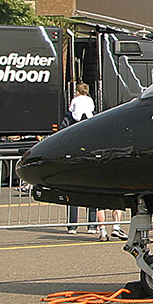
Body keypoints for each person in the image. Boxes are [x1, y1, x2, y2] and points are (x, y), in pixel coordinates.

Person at [65, 85, 97, 233]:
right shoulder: (94, 117)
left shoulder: (70, 118)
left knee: (73, 193)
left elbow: (63, 133)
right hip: (90, 158)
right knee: (92, 192)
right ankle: (92, 225)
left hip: (74, 157)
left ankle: (72, 225)